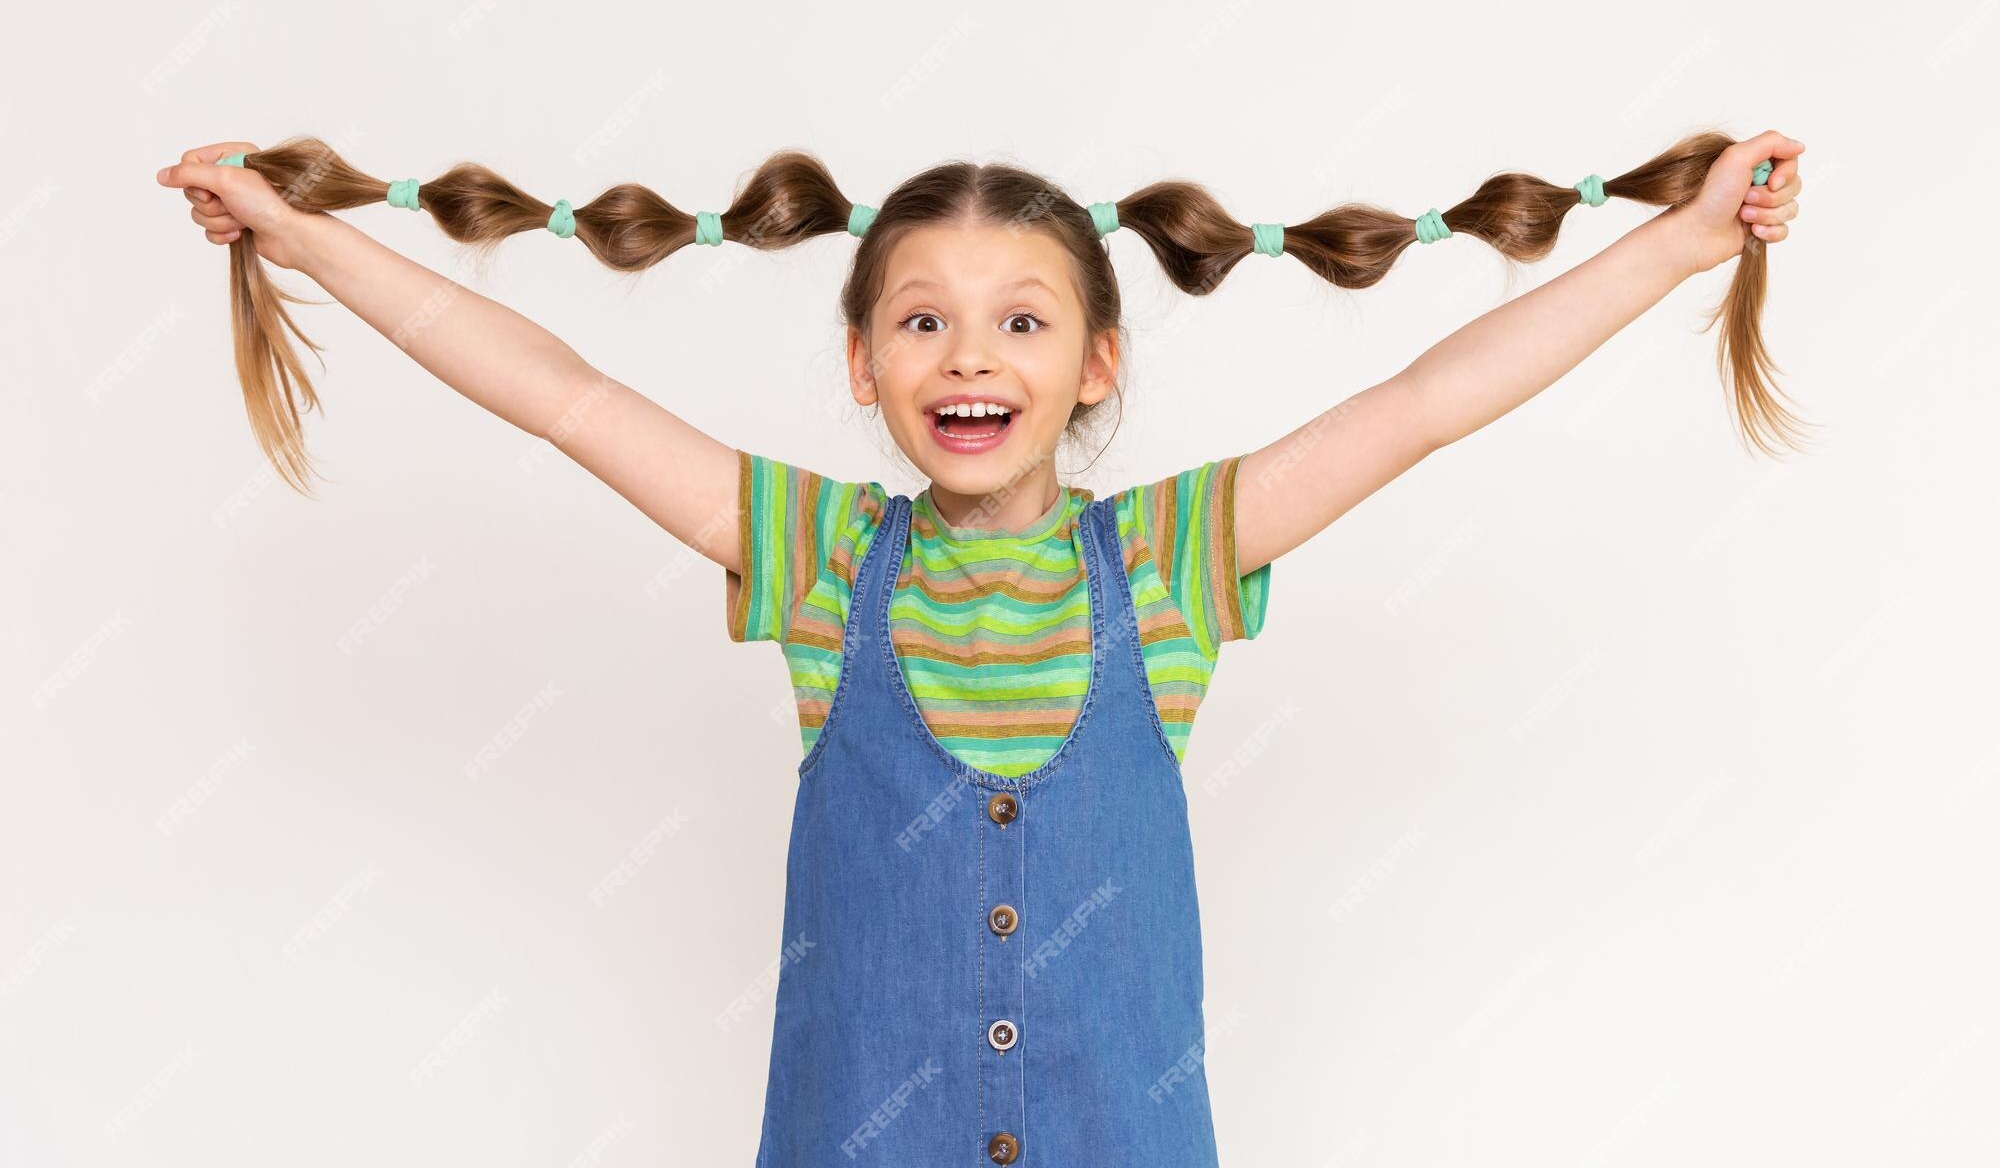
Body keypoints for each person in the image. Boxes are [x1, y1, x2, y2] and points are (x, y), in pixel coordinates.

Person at [156, 129, 1804, 1165]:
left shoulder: (1167, 558)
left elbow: (1426, 404)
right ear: (865, 364)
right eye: (920, 317)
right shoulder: (817, 560)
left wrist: (1680, 236)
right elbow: (560, 393)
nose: (970, 350)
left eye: (1023, 316)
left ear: (1096, 366)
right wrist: (302, 234)